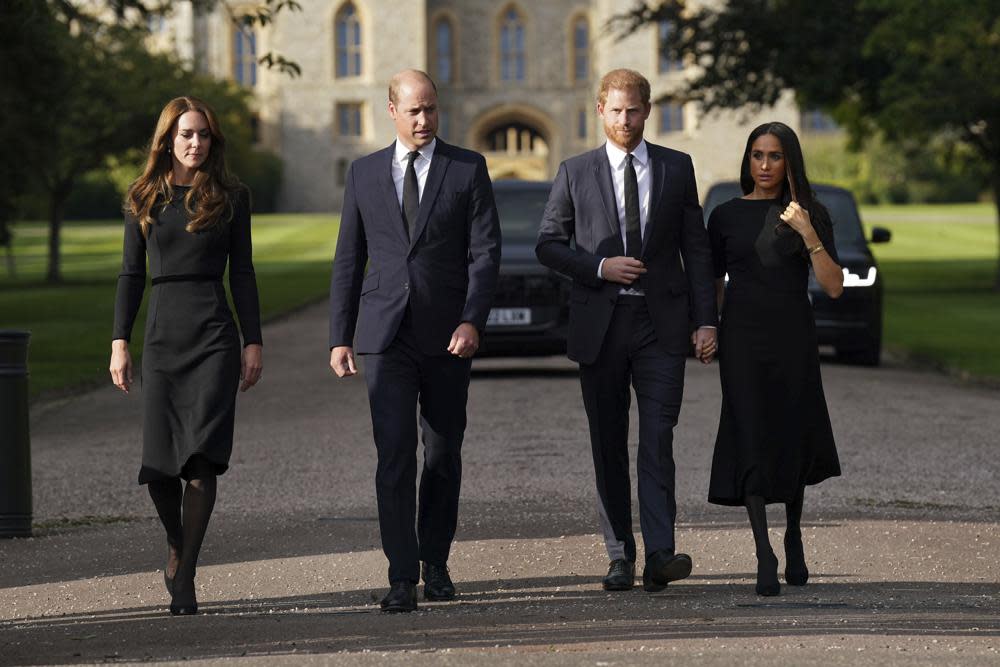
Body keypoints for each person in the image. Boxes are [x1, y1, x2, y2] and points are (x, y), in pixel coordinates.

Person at [536, 69, 717, 593]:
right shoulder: (574, 171)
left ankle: (661, 552)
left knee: (658, 439)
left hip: (661, 326)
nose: (625, 120)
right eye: (615, 110)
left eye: (633, 110)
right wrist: (598, 267)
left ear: (647, 109)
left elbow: (696, 250)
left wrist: (706, 320)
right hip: (602, 326)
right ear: (600, 111)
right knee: (608, 442)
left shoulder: (677, 167)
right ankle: (619, 554)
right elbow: (548, 244)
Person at [328, 70, 501, 613]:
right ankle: (401, 574)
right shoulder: (363, 173)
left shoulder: (467, 168)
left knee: (443, 452)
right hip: (384, 336)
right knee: (395, 454)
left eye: (431, 109)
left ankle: (437, 563)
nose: (425, 120)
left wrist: (472, 320)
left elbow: (485, 254)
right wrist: (340, 336)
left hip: (449, 335)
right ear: (392, 111)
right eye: (414, 111)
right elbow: (349, 260)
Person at [109, 96, 262, 616]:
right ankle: (176, 543)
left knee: (201, 461)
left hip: (214, 335)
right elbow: (130, 274)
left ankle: (188, 571)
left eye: (203, 135)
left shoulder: (231, 196)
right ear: (168, 140)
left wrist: (253, 340)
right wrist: (119, 341)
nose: (196, 143)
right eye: (186, 135)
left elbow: (242, 272)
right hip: (162, 335)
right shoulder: (144, 197)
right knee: (159, 468)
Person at [706, 121, 844, 596]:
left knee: (790, 429)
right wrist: (706, 328)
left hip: (793, 336)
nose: (764, 165)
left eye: (775, 156)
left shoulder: (811, 213)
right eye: (757, 156)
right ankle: (763, 550)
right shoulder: (724, 216)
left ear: (790, 162)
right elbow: (713, 282)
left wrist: (807, 231)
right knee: (749, 429)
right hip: (742, 338)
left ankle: (793, 534)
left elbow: (833, 285)